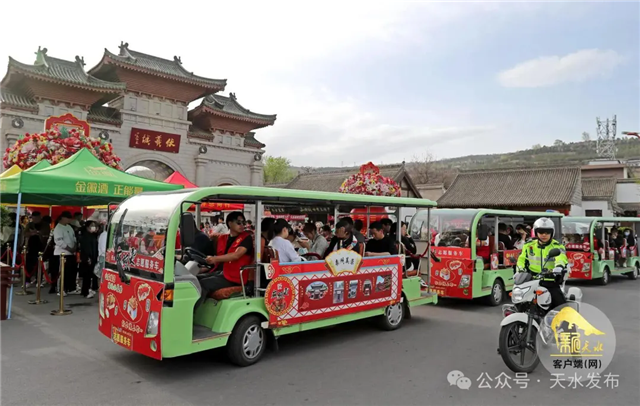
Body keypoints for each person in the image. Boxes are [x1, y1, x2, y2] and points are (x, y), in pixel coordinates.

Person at [196, 212, 254, 308]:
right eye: (239, 223)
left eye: (243, 223)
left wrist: (214, 259)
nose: (242, 225)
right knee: (195, 279)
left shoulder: (246, 238)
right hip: (222, 272)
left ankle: (192, 312)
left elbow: (236, 255)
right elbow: (215, 255)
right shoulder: (223, 238)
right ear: (230, 223)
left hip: (235, 277)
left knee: (203, 284)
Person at [516, 217, 568, 310]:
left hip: (550, 281)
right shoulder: (529, 245)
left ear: (552, 233)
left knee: (562, 308)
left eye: (547, 232)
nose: (544, 235)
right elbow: (521, 259)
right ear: (536, 232)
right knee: (519, 303)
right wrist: (520, 270)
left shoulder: (557, 246)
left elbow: (561, 257)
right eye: (541, 232)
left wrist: (559, 267)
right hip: (531, 281)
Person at [53, 211, 79, 295]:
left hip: (71, 253)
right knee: (63, 272)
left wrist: (74, 246)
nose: (69, 220)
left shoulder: (69, 227)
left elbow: (74, 238)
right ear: (62, 218)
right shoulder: (58, 228)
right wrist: (69, 248)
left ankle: (71, 288)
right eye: (68, 218)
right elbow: (59, 241)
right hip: (62, 253)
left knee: (72, 271)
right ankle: (61, 289)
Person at [78, 221, 99, 298]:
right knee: (87, 275)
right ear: (87, 227)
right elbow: (86, 248)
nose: (94, 227)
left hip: (92, 257)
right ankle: (85, 292)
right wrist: (88, 257)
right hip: (88, 258)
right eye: (92, 225)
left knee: (89, 275)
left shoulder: (92, 235)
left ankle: (85, 290)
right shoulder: (85, 236)